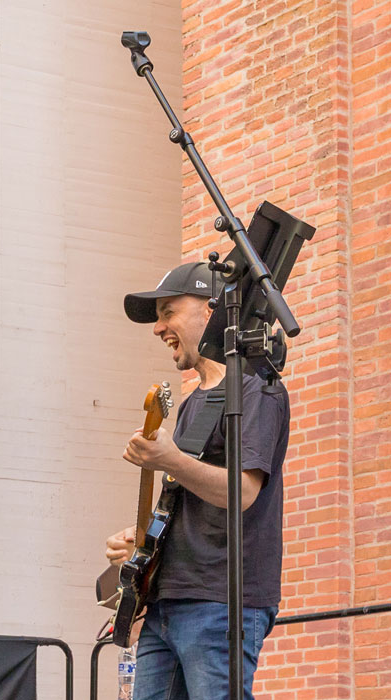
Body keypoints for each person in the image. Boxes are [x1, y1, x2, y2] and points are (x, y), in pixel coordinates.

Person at [103, 261, 291, 699]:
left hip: (220, 603)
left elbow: (243, 491)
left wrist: (169, 457)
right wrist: (144, 543)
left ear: (209, 311)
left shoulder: (256, 388)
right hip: (169, 601)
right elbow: (192, 501)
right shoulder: (192, 403)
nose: (158, 328)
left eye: (168, 312)